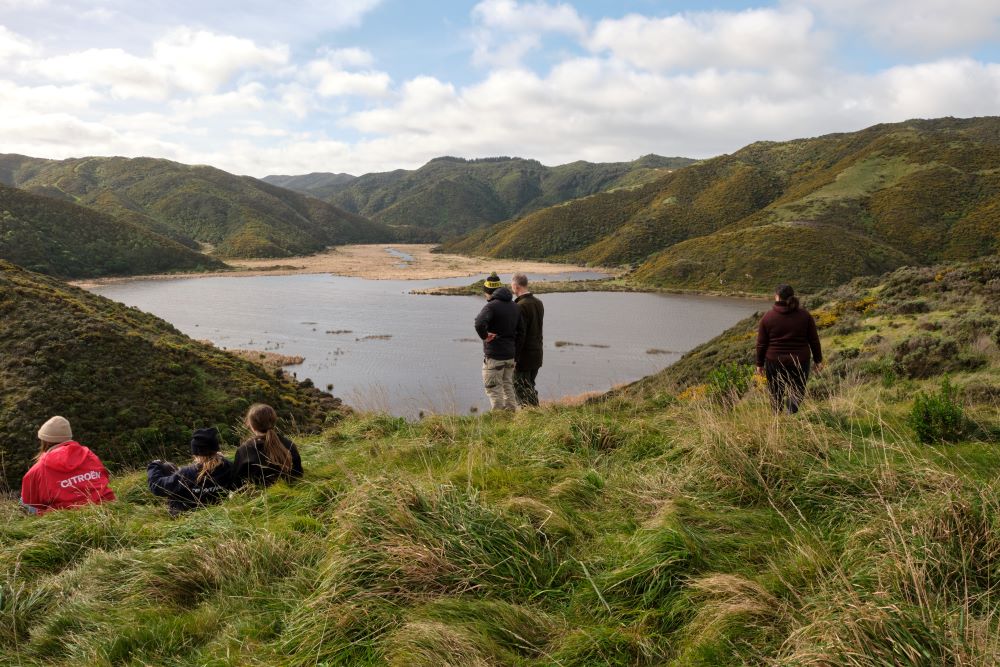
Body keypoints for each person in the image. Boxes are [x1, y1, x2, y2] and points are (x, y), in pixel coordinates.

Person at [20, 416, 116, 515]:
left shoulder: (39, 468)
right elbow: (104, 476)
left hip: (64, 514)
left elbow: (30, 499)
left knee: (23, 501)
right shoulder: (89, 455)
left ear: (45, 441)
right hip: (103, 504)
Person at [755, 284, 823, 414]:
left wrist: (759, 364)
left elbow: (761, 344)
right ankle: (790, 414)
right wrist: (818, 360)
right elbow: (814, 340)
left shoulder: (767, 317)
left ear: (777, 297)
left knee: (775, 393)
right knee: (797, 391)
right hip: (800, 361)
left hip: (774, 362)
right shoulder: (805, 316)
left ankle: (778, 420)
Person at [147, 427, 237, 516]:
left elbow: (157, 487)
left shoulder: (187, 473)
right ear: (216, 449)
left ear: (195, 453)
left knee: (167, 466)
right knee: (170, 467)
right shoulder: (228, 466)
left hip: (187, 515)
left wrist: (154, 465)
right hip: (220, 509)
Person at [474, 272, 524, 412]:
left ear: (488, 292)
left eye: (485, 293)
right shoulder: (515, 306)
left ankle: (499, 420)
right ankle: (511, 419)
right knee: (508, 386)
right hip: (510, 356)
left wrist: (485, 336)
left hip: (494, 356)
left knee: (494, 389)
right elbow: (522, 333)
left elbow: (479, 323)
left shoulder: (491, 306)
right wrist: (516, 356)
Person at [234, 403, 303, 486]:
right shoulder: (289, 444)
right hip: (291, 493)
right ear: (273, 421)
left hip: (257, 496)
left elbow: (236, 482)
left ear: (251, 425)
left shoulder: (244, 450)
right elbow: (298, 474)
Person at [511, 273, 544, 407]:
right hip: (537, 353)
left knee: (520, 387)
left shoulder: (520, 306)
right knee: (529, 385)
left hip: (524, 356)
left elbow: (520, 335)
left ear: (515, 286)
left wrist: (515, 357)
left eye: (511, 285)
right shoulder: (538, 302)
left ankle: (532, 416)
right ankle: (536, 415)